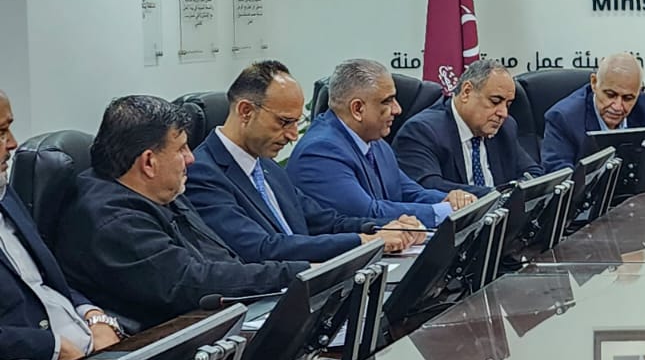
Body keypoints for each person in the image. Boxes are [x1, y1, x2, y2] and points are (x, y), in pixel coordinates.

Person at [56, 96, 310, 331]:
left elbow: (218, 258)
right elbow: (192, 282)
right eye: (181, 149)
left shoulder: (158, 192)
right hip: (165, 343)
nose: (191, 159)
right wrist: (295, 273)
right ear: (149, 162)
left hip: (213, 323)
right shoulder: (113, 221)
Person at [186, 61, 420, 264]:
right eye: (284, 122)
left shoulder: (267, 167)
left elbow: (325, 222)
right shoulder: (202, 175)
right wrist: (364, 241)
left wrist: (384, 228)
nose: (292, 135)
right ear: (246, 111)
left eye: (295, 123)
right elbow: (261, 248)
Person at [0, 89, 112, 360]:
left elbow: (44, 280)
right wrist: (55, 349)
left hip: (89, 355)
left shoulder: (5, 192)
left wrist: (93, 314)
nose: (13, 144)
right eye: (1, 132)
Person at [288, 59, 474, 228]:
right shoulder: (320, 151)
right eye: (388, 101)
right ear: (357, 109)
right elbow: (368, 213)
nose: (397, 109)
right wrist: (442, 211)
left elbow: (410, 192)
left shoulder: (374, 141)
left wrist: (452, 200)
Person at [394, 59, 539, 195]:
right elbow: (429, 187)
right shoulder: (423, 131)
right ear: (466, 92)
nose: (503, 113)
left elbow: (533, 173)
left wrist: (514, 192)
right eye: (495, 101)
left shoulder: (505, 127)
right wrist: (499, 195)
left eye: (508, 104)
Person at [541, 53, 645, 174]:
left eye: (628, 98)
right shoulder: (564, 118)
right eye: (610, 95)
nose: (617, 106)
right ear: (594, 83)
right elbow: (561, 177)